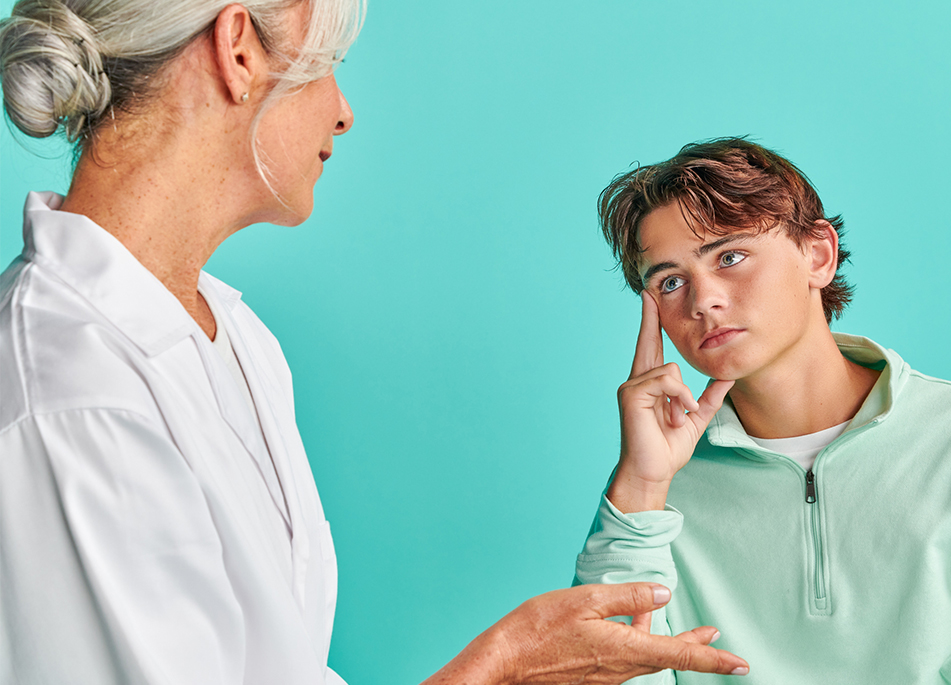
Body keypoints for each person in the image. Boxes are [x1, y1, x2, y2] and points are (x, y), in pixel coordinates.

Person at [0, 1, 751, 683]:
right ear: (237, 50)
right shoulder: (74, 398)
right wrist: (493, 671)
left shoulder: (234, 336)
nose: (343, 113)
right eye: (329, 67)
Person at [573, 138, 951, 683]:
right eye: (670, 281)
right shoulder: (657, 489)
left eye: (730, 256)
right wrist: (640, 488)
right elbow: (606, 672)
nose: (703, 301)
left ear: (818, 254)